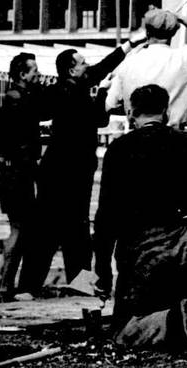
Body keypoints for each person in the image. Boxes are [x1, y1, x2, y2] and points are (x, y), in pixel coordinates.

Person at [18, 35, 144, 296]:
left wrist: (130, 45)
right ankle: (80, 284)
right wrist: (103, 95)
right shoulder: (74, 92)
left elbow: (102, 68)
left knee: (48, 228)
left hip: (57, 168)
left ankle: (30, 285)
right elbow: (98, 118)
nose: (88, 65)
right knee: (74, 228)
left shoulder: (62, 89)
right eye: (83, 62)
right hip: (72, 169)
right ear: (72, 69)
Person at [93, 83, 187, 351]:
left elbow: (107, 216)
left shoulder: (120, 149)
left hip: (140, 257)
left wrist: (102, 269)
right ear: (167, 112)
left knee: (122, 334)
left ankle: (168, 323)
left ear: (130, 114)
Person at [0, 52, 51, 302]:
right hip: (17, 172)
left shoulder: (15, 98)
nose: (38, 73)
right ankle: (4, 286)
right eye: (34, 69)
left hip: (10, 171)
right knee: (20, 228)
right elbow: (21, 141)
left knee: (18, 227)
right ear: (23, 74)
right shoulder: (20, 101)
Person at [105, 6, 187, 129]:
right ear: (173, 32)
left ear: (147, 32)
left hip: (138, 137)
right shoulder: (186, 57)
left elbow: (109, 105)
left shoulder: (128, 62)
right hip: (175, 138)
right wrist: (180, 18)